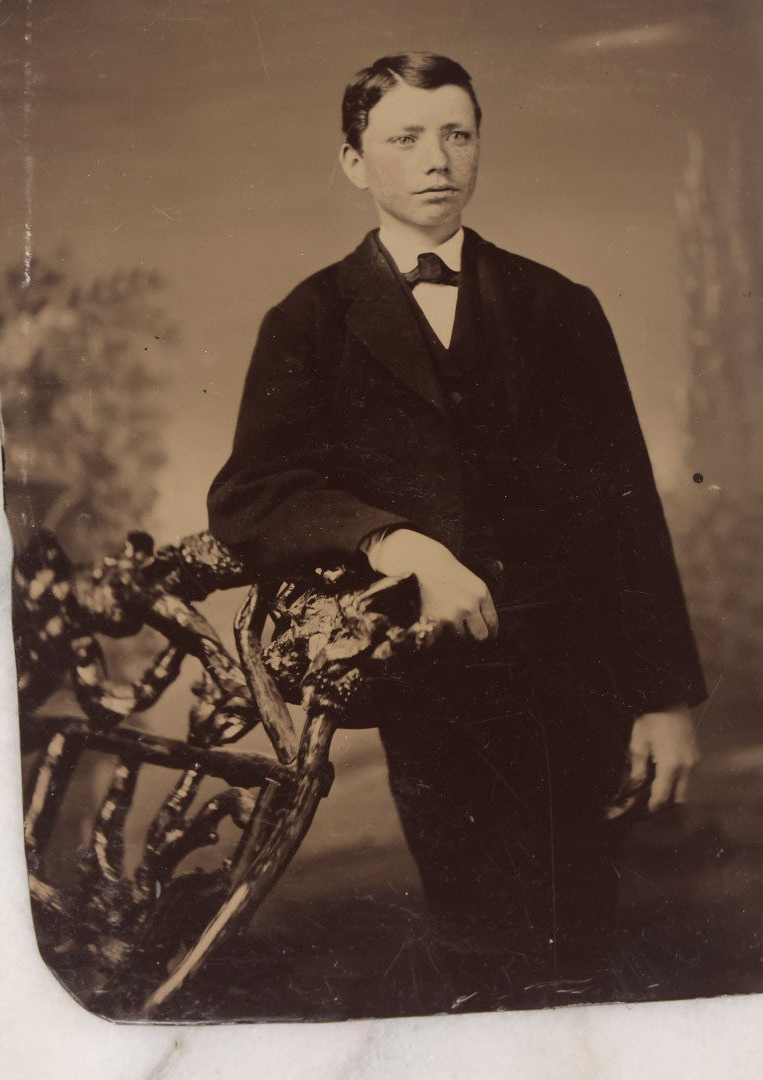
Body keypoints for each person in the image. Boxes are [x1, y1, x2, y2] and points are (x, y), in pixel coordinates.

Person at [207, 53, 706, 1009]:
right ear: (354, 162)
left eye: (457, 134)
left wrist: (664, 695)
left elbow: (627, 514)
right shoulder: (309, 321)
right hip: (433, 693)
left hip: (580, 682)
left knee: (585, 944)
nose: (437, 159)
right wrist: (395, 543)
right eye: (404, 138)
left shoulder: (559, 306)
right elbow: (253, 492)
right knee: (481, 948)